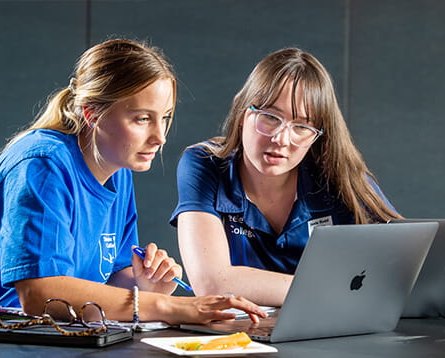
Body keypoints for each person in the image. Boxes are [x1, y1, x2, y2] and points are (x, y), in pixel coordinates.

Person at [0, 39, 265, 356]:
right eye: (142, 119)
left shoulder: (119, 170)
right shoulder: (42, 165)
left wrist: (142, 283)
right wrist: (170, 307)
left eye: (165, 119)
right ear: (92, 114)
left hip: (51, 345)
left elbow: (103, 280)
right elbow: (40, 295)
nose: (160, 137)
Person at [170, 47, 403, 307]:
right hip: (239, 337)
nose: (281, 139)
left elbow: (405, 263)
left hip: (326, 334)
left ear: (316, 136)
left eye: (302, 126)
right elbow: (212, 283)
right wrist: (338, 288)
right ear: (242, 115)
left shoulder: (339, 175)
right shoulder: (204, 163)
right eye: (270, 117)